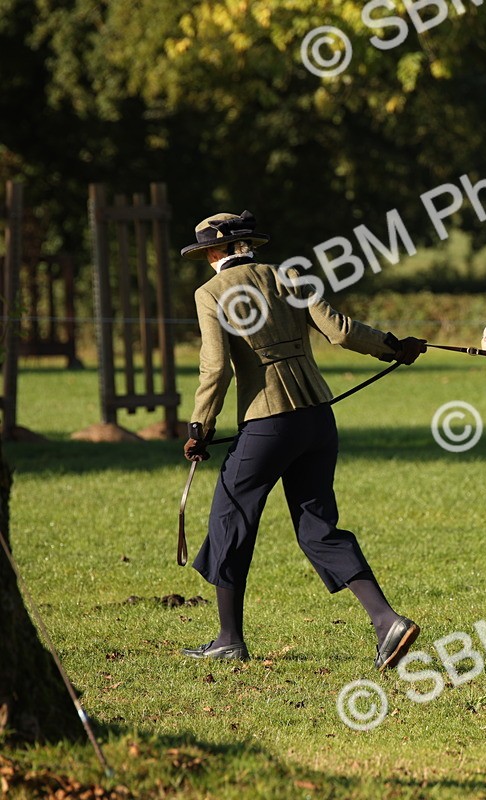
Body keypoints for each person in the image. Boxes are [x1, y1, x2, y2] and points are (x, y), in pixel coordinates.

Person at [180, 210, 424, 671]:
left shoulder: (209, 292)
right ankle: (386, 621)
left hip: (267, 424)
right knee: (318, 528)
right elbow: (341, 331)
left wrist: (200, 427)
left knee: (229, 520)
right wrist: (395, 346)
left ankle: (229, 638)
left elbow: (215, 368)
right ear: (247, 244)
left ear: (213, 253)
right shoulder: (287, 274)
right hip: (317, 418)